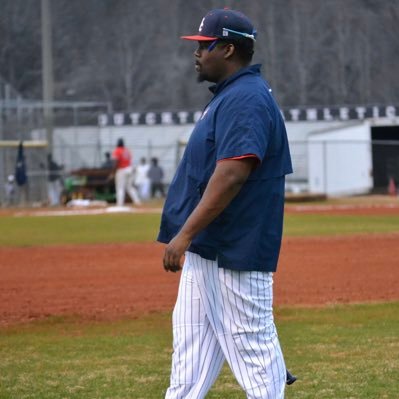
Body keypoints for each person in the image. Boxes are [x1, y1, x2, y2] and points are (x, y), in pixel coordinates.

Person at [157, 9, 294, 399]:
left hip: (236, 250)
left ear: (228, 48)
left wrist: (184, 234)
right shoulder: (230, 96)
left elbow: (233, 173)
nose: (196, 53)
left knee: (254, 351)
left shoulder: (246, 99)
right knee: (190, 355)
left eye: (205, 45)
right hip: (210, 250)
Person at [111, 138, 141, 207]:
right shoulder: (127, 150)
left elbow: (116, 162)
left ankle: (120, 204)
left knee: (120, 188)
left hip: (122, 170)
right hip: (129, 169)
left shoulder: (117, 150)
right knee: (129, 187)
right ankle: (137, 202)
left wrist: (113, 172)